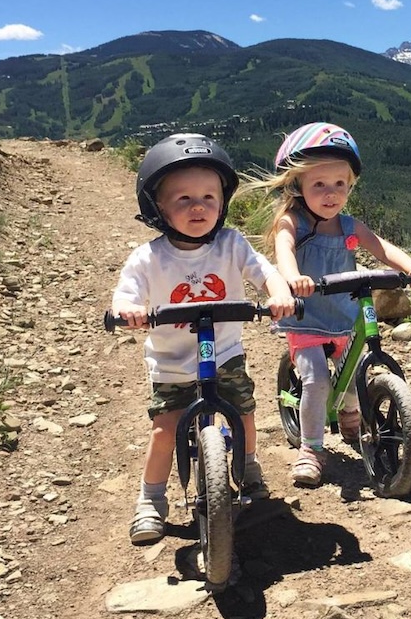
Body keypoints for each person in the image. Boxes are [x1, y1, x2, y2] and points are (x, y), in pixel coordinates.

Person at [111, 133, 296, 545]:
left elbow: (262, 269)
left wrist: (277, 290)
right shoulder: (149, 258)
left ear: (222, 202)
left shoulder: (231, 243)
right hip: (173, 362)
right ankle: (151, 499)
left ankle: (248, 465)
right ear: (157, 208)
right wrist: (130, 310)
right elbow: (126, 293)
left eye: (209, 197)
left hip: (224, 353)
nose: (199, 207)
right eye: (183, 199)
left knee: (243, 410)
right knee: (165, 430)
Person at [246, 121, 411, 487]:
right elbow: (283, 251)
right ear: (297, 185)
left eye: (340, 185)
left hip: (342, 317)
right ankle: (312, 449)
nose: (331, 194)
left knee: (354, 368)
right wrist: (294, 276)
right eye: (319, 185)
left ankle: (350, 411)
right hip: (307, 320)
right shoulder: (292, 222)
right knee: (315, 379)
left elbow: (381, 247)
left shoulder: (349, 225)